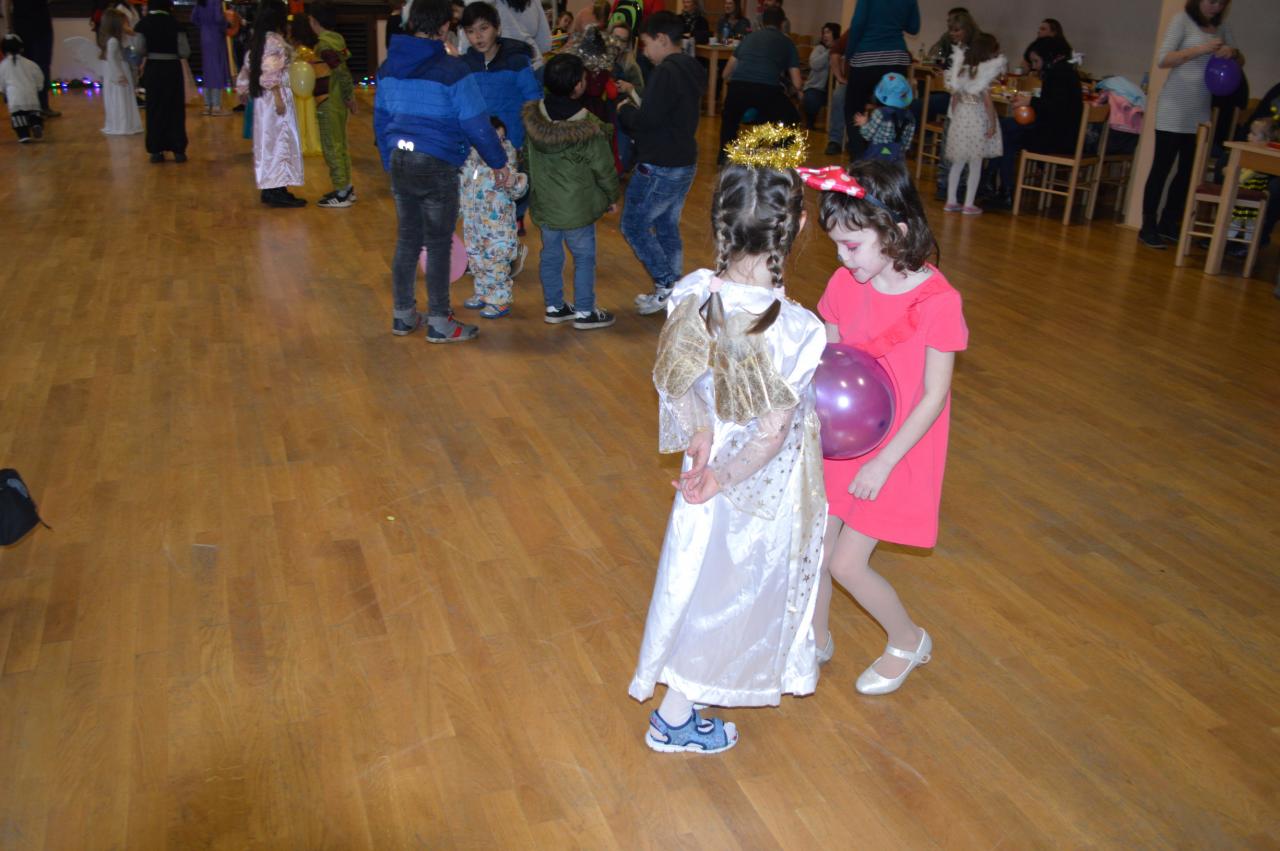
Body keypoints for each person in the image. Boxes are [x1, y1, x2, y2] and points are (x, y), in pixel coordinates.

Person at [630, 126, 826, 754]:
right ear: (796, 228)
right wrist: (723, 475)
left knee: (699, 577)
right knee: (732, 590)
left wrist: (701, 432)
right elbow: (771, 434)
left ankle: (681, 703)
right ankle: (676, 717)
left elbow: (675, 377)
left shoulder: (693, 292)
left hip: (711, 464)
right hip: (749, 486)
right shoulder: (795, 330)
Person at [803, 159, 967, 697]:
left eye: (852, 245)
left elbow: (934, 394)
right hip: (843, 443)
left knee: (847, 564)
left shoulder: (938, 302)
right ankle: (814, 638)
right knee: (815, 549)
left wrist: (883, 461)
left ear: (895, 231)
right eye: (836, 245)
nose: (842, 257)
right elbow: (829, 365)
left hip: (899, 451)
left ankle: (907, 640)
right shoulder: (843, 283)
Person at [376, 0, 510, 342]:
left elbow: (382, 119)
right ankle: (440, 322)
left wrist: (389, 161)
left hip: (401, 158)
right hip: (436, 163)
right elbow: (477, 124)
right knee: (437, 244)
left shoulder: (389, 67)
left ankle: (403, 316)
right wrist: (499, 162)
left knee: (408, 239)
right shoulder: (453, 70)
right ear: (444, 28)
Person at [616, 11, 705, 316]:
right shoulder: (691, 67)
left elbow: (647, 121)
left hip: (659, 163)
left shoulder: (666, 71)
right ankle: (673, 289)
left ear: (662, 39)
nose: (644, 51)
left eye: (646, 44)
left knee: (633, 225)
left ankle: (667, 283)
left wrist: (624, 111)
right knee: (666, 225)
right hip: (683, 160)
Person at [522, 53, 619, 330]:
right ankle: (585, 311)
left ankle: (554, 307)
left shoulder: (534, 119)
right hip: (578, 209)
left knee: (550, 256)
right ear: (578, 86)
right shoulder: (587, 127)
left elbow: (526, 158)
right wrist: (612, 196)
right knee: (584, 257)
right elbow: (604, 167)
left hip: (546, 205)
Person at [1138, 0, 1241, 248]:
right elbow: (1164, 59)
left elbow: (1239, 59)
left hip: (1200, 112)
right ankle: (1148, 225)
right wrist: (1201, 49)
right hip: (1173, 108)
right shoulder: (1182, 20)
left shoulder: (1222, 28)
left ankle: (1169, 222)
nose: (1215, 7)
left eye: (1221, 3)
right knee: (1161, 168)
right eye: (1211, 1)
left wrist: (1233, 53)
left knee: (1187, 172)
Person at [460, 1, 540, 264]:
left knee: (503, 202)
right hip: (475, 146)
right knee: (475, 202)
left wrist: (524, 136)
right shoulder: (464, 64)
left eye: (484, 28)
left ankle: (504, 255)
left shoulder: (517, 61)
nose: (478, 36)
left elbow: (532, 99)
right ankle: (480, 255)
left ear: (497, 28)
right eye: (471, 31)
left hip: (509, 144)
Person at [988, 35, 1081, 209]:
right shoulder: (1066, 72)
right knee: (1006, 130)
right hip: (1061, 135)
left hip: (1056, 139)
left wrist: (1030, 101)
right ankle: (998, 186)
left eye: (1036, 61)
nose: (1035, 66)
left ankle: (998, 185)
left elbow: (1055, 108)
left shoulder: (1058, 74)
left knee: (1004, 130)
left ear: (1049, 57)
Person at [237, 0, 305, 206]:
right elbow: (269, 70)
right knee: (280, 140)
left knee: (268, 142)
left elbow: (248, 66)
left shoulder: (258, 39)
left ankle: (274, 187)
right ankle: (276, 189)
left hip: (262, 100)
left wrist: (243, 88)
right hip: (275, 96)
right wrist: (277, 95)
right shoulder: (274, 41)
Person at [460, 117, 529, 318]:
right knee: (476, 259)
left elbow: (517, 188)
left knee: (496, 263)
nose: (498, 143)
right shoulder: (468, 160)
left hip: (498, 228)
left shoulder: (506, 160)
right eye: (494, 138)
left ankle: (499, 300)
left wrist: (515, 182)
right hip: (473, 224)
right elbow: (460, 188)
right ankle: (483, 293)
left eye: (502, 138)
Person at [716, 7, 800, 163]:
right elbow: (797, 82)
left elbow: (725, 73)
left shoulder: (748, 38)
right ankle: (778, 157)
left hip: (738, 89)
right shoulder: (787, 42)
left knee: (730, 120)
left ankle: (723, 158)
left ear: (762, 22)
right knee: (792, 117)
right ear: (782, 23)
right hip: (767, 91)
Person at [842, 0, 919, 161]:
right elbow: (913, 28)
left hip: (866, 58)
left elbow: (857, 25)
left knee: (853, 109)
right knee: (894, 111)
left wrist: (849, 56)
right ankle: (890, 157)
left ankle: (859, 159)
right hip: (896, 58)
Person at [942, 33, 1002, 213]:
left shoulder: (961, 70)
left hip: (961, 116)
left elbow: (954, 98)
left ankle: (951, 201)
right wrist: (992, 124)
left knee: (958, 162)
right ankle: (968, 204)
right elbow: (988, 103)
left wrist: (955, 118)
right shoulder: (984, 73)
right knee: (975, 163)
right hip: (977, 118)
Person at [307, 1, 358, 208]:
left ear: (314, 21)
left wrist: (349, 96)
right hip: (337, 100)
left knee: (331, 145)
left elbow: (340, 72)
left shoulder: (324, 46)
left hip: (328, 100)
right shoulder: (337, 41)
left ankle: (341, 191)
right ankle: (345, 186)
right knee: (340, 143)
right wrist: (348, 96)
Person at [134, 0, 189, 163]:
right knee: (175, 107)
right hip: (172, 68)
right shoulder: (176, 24)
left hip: (154, 69)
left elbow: (139, 49)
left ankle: (156, 150)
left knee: (154, 108)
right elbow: (184, 51)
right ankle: (178, 149)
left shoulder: (143, 24)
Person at [853, 70, 916, 164]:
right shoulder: (910, 117)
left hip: (876, 157)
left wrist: (864, 123)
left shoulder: (880, 113)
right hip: (897, 159)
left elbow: (867, 135)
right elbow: (907, 144)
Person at [96, 9, 142, 135]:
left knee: (122, 97)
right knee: (121, 98)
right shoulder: (113, 41)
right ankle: (123, 124)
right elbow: (111, 59)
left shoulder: (118, 39)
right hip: (119, 71)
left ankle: (125, 123)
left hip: (120, 70)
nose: (126, 25)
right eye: (124, 23)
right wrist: (119, 75)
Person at [7, 0, 56, 116]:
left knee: (35, 67)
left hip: (30, 24)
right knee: (38, 67)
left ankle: (34, 107)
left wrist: (10, 27)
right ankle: (39, 106)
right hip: (34, 25)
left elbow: (7, 4)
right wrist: (10, 27)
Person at [0, 34, 44, 142]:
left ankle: (24, 135)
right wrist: (38, 87)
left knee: (18, 117)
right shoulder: (30, 63)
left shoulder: (3, 66)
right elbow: (39, 77)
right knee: (33, 112)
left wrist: (3, 91)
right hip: (31, 94)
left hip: (15, 97)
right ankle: (36, 124)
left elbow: (1, 82)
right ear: (21, 48)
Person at [192, 0, 231, 115]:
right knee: (217, 71)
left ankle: (207, 105)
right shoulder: (215, 1)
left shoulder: (200, 2)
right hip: (216, 37)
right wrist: (226, 23)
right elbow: (218, 18)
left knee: (207, 71)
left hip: (204, 37)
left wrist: (203, 26)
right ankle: (216, 106)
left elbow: (193, 18)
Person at [493, 0, 552, 70]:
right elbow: (544, 43)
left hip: (503, 63)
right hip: (533, 61)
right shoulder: (534, 2)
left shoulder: (496, 3)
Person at [801, 22, 838, 131]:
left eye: (828, 32)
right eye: (824, 33)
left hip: (832, 89)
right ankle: (810, 126)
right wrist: (829, 52)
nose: (825, 35)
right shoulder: (819, 49)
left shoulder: (841, 52)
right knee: (812, 99)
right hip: (816, 87)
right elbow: (814, 64)